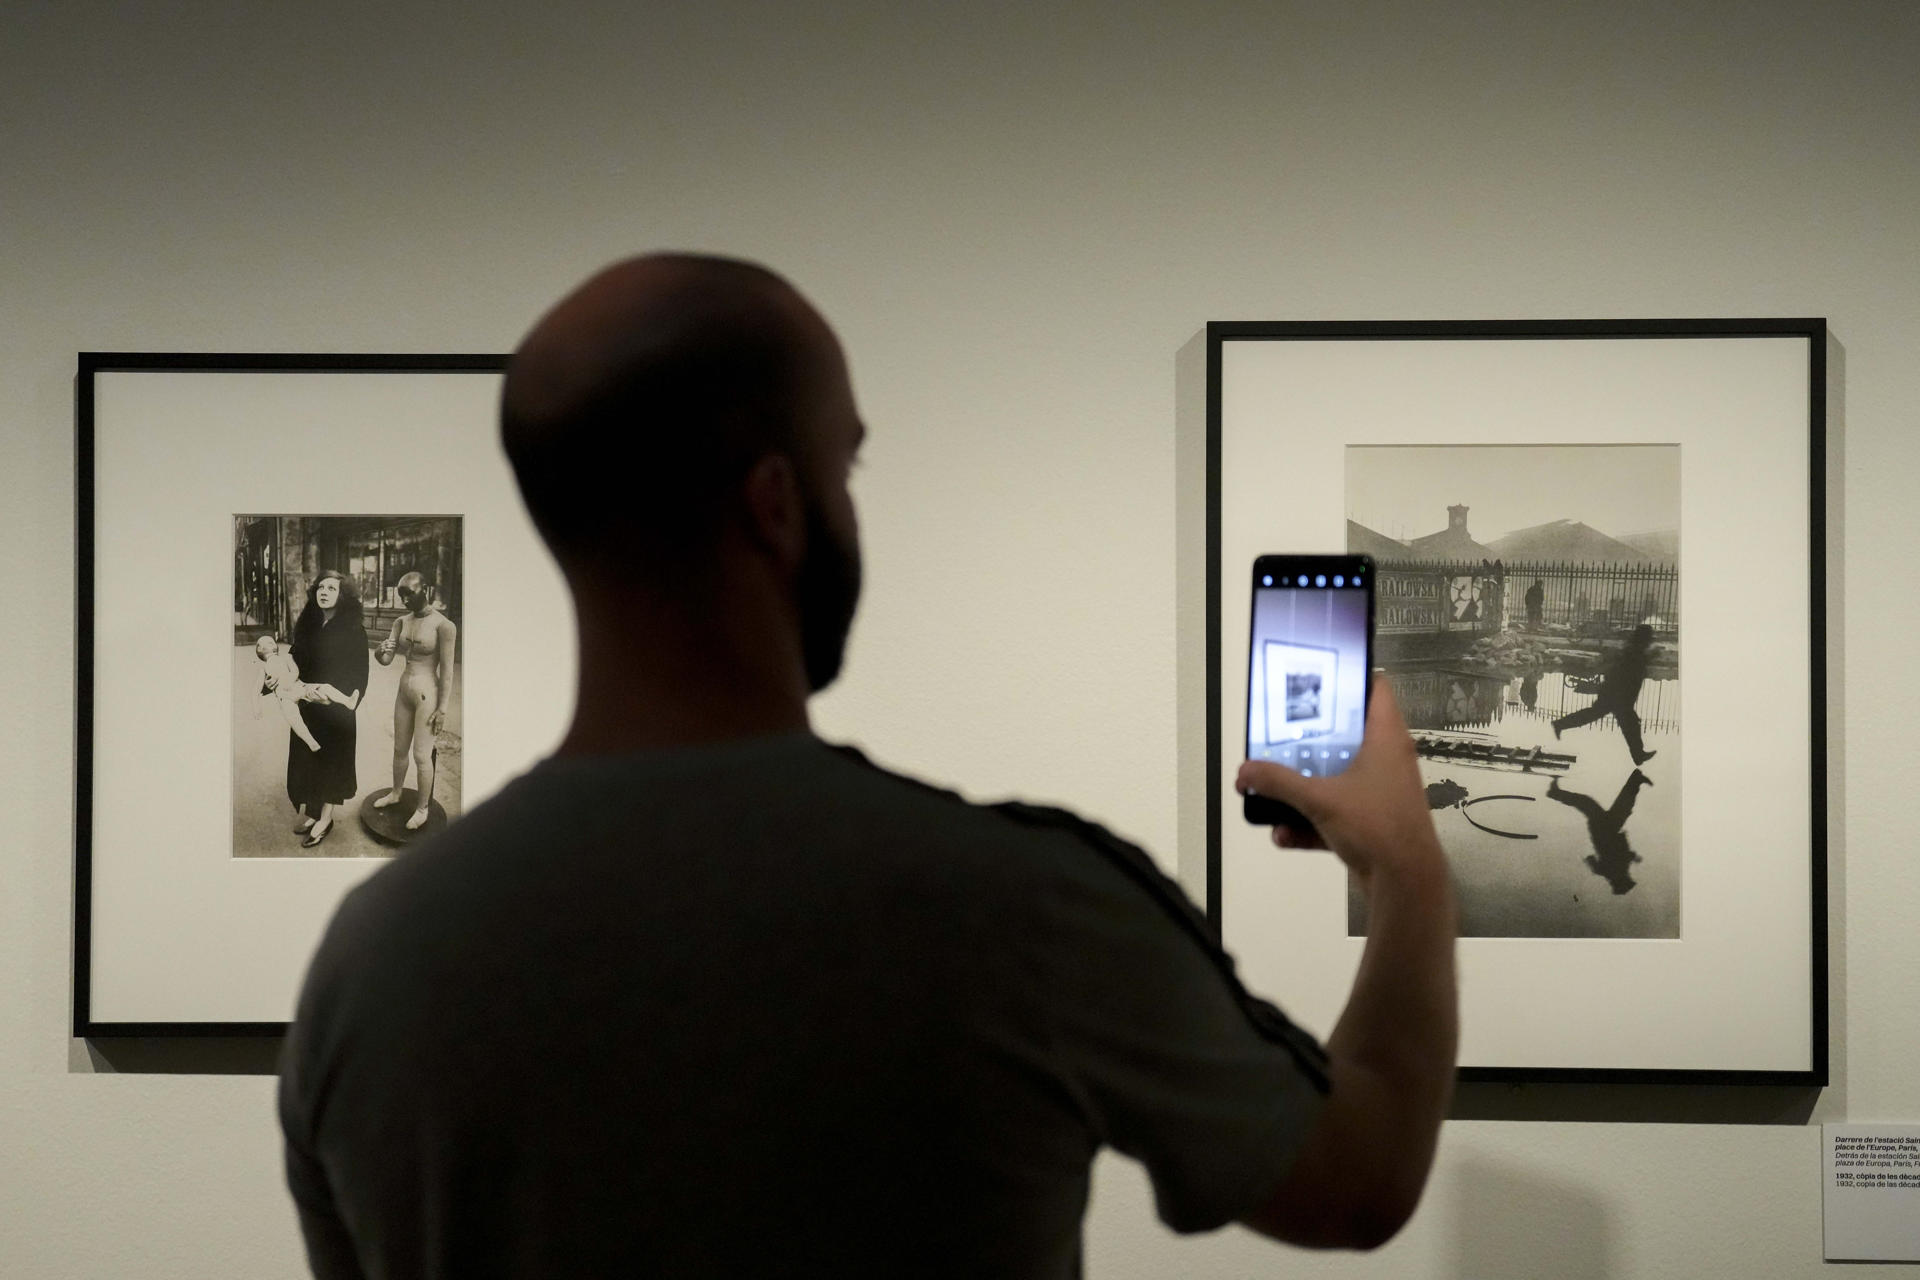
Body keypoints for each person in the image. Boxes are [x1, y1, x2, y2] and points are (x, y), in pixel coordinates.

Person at [278, 254, 1458, 1277]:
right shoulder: (1025, 909)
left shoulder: (372, 960)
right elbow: (1358, 1176)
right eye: (849, 465)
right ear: (777, 504)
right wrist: (1406, 866)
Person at [279, 571, 369, 849]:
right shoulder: (308, 623)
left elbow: (359, 672)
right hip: (308, 704)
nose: (324, 592)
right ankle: (314, 813)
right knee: (309, 759)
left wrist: (334, 698)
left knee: (331, 763)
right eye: (320, 587)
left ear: (342, 596)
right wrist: (279, 675)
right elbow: (294, 657)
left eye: (331, 588)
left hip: (335, 710)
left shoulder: (354, 629)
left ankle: (325, 818)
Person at [370, 572, 457, 830]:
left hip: (427, 693)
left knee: (421, 755)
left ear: (425, 589)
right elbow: (386, 660)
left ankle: (422, 808)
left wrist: (442, 709)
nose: (405, 599)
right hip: (404, 691)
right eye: (401, 595)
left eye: (410, 593)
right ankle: (396, 792)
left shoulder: (444, 626)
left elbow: (448, 672)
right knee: (399, 749)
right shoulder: (400, 621)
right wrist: (378, 652)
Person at [1551, 623, 1658, 766]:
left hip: (1616, 694)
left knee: (1605, 717)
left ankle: (1560, 724)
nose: (1651, 640)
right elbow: (1630, 668)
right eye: (1649, 638)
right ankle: (1638, 755)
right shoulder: (1634, 651)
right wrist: (1651, 656)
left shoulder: (1634, 649)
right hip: (1617, 695)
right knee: (1629, 723)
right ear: (1644, 639)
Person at [254, 634, 357, 754]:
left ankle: (347, 701)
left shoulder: (286, 658)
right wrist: (256, 706)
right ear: (260, 649)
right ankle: (310, 741)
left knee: (325, 687)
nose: (274, 643)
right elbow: (256, 690)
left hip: (299, 686)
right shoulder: (264, 668)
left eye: (273, 641)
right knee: (293, 718)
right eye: (270, 642)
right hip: (285, 696)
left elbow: (295, 671)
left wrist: (290, 675)